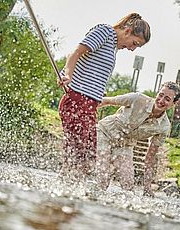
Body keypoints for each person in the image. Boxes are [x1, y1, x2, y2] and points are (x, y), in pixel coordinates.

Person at [58, 13, 151, 175]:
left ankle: (68, 190)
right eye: (134, 43)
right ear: (127, 31)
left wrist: (98, 91)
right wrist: (67, 74)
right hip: (76, 101)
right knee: (80, 155)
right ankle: (64, 191)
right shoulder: (105, 32)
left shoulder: (113, 47)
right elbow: (75, 52)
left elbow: (92, 72)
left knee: (87, 157)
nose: (131, 49)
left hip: (89, 105)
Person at [95, 81, 180, 196]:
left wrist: (147, 187)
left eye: (167, 99)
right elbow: (107, 101)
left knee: (128, 186)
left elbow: (150, 157)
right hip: (105, 133)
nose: (161, 101)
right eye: (160, 95)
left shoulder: (164, 127)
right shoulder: (137, 98)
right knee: (103, 178)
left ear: (173, 104)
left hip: (125, 145)